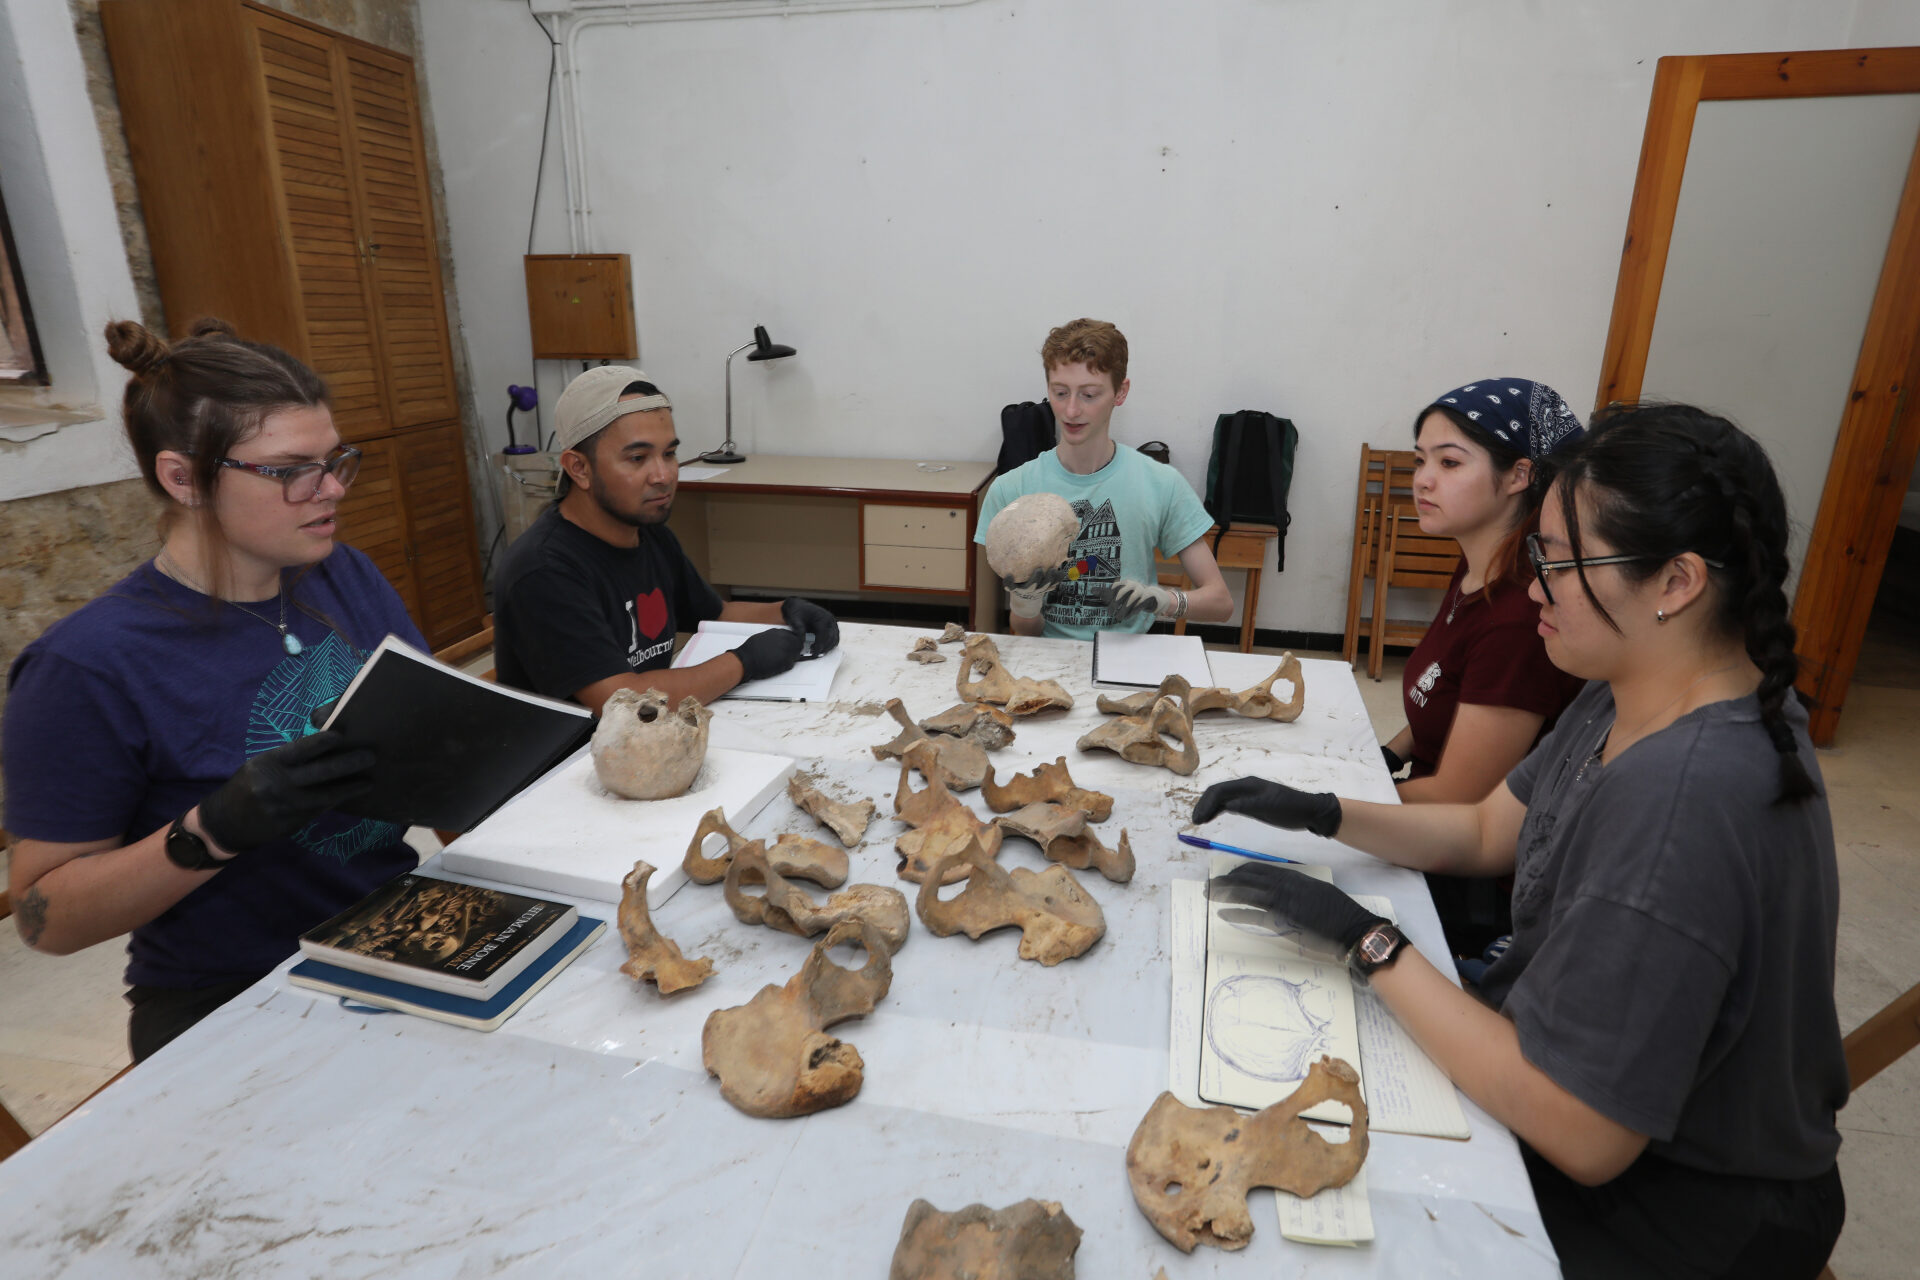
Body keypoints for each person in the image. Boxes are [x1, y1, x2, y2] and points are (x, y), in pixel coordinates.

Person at [1191, 403, 1847, 1279]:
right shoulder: (1632, 685)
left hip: (1679, 1209)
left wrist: (1367, 941)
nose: (1535, 587)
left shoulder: (1683, 799)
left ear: (1676, 582)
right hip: (1581, 1093)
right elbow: (1487, 827)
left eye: (1561, 564)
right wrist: (1325, 812)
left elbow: (1584, 1130)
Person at [4, 319, 421, 1061]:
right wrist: (211, 831)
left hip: (392, 932)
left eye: (334, 461)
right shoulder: (88, 665)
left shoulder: (344, 574)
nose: (331, 489)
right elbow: (46, 920)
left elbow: (436, 737)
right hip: (235, 992)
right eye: (291, 470)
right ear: (184, 479)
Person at [491, 365, 840, 713]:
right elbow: (623, 701)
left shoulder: (649, 534)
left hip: (648, 735)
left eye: (669, 454)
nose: (663, 475)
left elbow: (716, 612)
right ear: (579, 468)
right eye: (638, 458)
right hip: (586, 745)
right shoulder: (544, 571)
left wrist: (785, 610)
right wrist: (742, 663)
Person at [1381, 379, 1588, 803]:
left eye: (1449, 463)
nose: (1422, 481)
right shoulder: (1479, 567)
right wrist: (1389, 753)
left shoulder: (1521, 615)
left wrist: (1340, 798)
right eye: (1420, 460)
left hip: (1446, 832)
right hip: (1417, 803)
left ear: (1519, 475)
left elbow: (1459, 800)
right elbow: (1445, 696)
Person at [975, 319, 1232, 639]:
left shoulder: (1161, 484)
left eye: (1089, 394)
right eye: (1060, 393)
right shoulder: (1011, 490)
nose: (1071, 410)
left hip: (1128, 656)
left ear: (1120, 392)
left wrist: (1163, 601)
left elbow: (1221, 603)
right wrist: (1025, 604)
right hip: (1048, 658)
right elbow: (1025, 632)